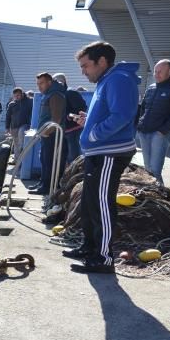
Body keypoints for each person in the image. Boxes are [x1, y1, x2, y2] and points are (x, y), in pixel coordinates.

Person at [63, 41, 139, 274]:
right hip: (99, 152)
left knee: (101, 204)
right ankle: (89, 247)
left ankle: (104, 258)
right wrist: (89, 122)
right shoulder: (107, 80)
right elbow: (110, 113)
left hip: (109, 152)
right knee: (89, 202)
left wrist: (94, 133)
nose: (83, 71)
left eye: (86, 66)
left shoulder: (118, 79)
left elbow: (122, 116)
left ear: (102, 61)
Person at [136, 59, 170, 186]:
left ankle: (161, 198)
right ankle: (151, 196)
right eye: (155, 71)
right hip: (144, 132)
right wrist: (139, 124)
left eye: (160, 72)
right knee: (147, 169)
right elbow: (143, 108)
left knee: (155, 170)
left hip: (159, 134)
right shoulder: (151, 88)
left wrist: (162, 131)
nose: (156, 74)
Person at [28, 72, 67, 196]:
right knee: (44, 160)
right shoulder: (49, 94)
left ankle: (46, 187)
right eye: (38, 84)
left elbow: (57, 118)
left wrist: (46, 132)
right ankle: (42, 182)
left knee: (49, 160)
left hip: (52, 135)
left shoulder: (55, 95)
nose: (39, 86)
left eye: (42, 83)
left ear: (49, 82)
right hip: (46, 134)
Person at [54, 73, 87, 164]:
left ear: (61, 82)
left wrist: (69, 116)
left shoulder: (70, 92)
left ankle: (75, 176)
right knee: (65, 157)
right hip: (63, 130)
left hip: (73, 131)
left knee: (74, 157)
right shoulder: (58, 95)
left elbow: (82, 108)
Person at [7, 87, 33, 158]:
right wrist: (7, 127)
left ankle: (22, 158)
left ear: (22, 94)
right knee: (16, 144)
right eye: (15, 96)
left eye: (18, 95)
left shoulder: (29, 101)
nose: (16, 97)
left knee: (21, 141)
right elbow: (8, 116)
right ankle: (17, 160)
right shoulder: (12, 104)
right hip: (14, 126)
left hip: (25, 125)